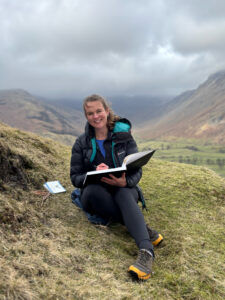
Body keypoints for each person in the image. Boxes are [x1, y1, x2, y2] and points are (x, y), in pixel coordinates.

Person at [70, 94, 163, 280]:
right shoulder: (81, 143)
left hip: (124, 190)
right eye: (90, 113)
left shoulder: (123, 136)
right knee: (91, 193)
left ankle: (146, 252)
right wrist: (95, 172)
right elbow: (75, 177)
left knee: (122, 192)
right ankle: (140, 227)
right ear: (86, 116)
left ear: (107, 111)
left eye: (99, 111)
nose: (96, 116)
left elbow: (137, 171)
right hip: (97, 193)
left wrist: (125, 182)